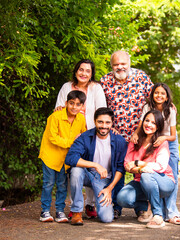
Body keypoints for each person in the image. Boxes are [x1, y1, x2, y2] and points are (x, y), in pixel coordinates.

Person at [56, 59, 106, 218]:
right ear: (76, 71)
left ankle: (90, 204)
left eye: (88, 71)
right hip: (70, 136)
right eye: (81, 70)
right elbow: (58, 110)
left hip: (90, 135)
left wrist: (99, 132)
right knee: (72, 169)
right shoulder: (66, 87)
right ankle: (74, 205)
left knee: (91, 168)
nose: (84, 73)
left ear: (92, 74)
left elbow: (102, 111)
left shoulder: (96, 88)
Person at [131, 83, 180, 225]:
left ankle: (172, 212)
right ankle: (156, 210)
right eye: (156, 93)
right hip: (153, 139)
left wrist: (164, 138)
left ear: (167, 97)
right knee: (154, 173)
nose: (159, 96)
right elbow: (141, 124)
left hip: (168, 140)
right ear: (152, 94)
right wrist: (135, 134)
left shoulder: (170, 109)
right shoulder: (147, 107)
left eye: (162, 93)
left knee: (171, 174)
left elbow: (172, 136)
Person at [65, 107, 127, 225]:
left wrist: (109, 188)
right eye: (100, 122)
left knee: (107, 218)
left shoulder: (119, 141)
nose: (104, 126)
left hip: (105, 180)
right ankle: (76, 212)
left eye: (107, 122)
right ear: (94, 121)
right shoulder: (85, 137)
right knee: (76, 171)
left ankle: (102, 207)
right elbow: (70, 158)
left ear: (112, 123)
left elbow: (120, 168)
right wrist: (95, 165)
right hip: (88, 174)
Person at [117, 110, 175, 229]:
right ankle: (147, 207)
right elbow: (127, 165)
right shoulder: (135, 141)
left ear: (158, 126)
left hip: (164, 182)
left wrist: (138, 163)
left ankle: (158, 216)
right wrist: (140, 169)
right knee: (122, 198)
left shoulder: (161, 142)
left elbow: (160, 166)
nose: (149, 124)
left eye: (153, 123)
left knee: (147, 175)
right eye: (147, 121)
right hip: (141, 181)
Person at [38, 90, 87, 223]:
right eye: (71, 103)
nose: (74, 107)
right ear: (66, 103)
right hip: (50, 156)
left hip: (65, 159)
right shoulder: (55, 117)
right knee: (48, 184)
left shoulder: (81, 119)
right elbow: (52, 137)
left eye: (78, 104)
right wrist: (72, 142)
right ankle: (45, 211)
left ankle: (60, 211)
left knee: (62, 184)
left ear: (82, 106)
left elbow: (83, 136)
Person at [100, 50, 154, 142]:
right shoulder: (105, 81)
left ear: (129, 63)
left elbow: (155, 98)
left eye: (123, 64)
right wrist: (108, 127)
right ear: (111, 66)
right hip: (115, 137)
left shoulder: (141, 77)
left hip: (140, 135)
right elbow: (101, 108)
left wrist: (168, 104)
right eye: (116, 64)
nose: (120, 67)